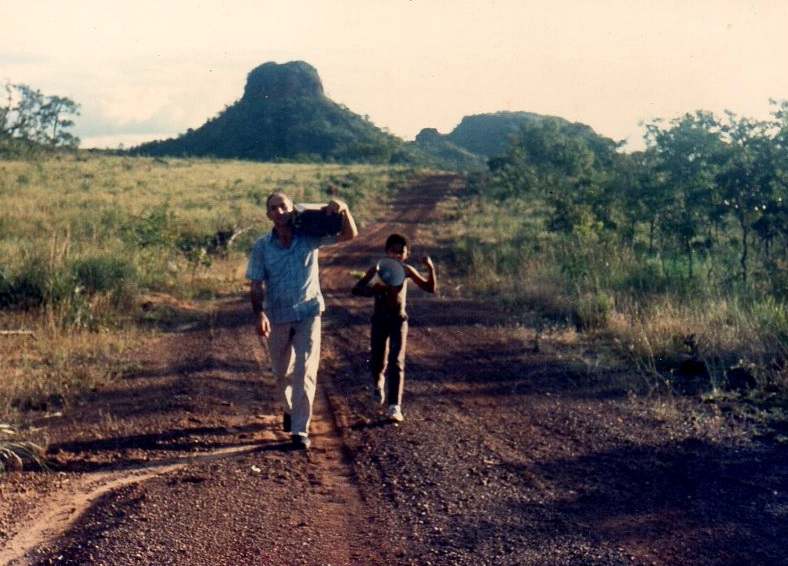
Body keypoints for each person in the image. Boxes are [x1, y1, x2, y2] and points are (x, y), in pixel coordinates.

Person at [247, 191, 358, 449]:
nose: (279, 212)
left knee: (305, 370)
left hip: (309, 312)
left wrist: (344, 208)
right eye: (273, 208)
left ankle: (300, 430)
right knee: (281, 372)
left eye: (283, 207)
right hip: (278, 315)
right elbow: (255, 284)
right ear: (268, 215)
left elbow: (349, 235)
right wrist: (259, 313)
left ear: (292, 209)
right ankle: (289, 409)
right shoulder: (262, 246)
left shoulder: (309, 236)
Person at [352, 233, 436, 423]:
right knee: (377, 360)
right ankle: (378, 384)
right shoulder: (378, 269)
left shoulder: (407, 270)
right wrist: (373, 290)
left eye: (401, 252)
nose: (397, 255)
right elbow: (357, 289)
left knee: (397, 361)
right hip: (379, 319)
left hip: (399, 320)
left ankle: (394, 406)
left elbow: (430, 288)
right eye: (393, 251)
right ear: (386, 252)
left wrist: (430, 269)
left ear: (406, 254)